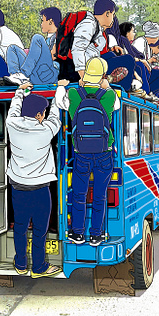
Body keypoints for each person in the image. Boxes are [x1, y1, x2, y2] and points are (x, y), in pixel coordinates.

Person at [55, 57, 120, 246]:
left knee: (79, 194)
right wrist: (105, 86)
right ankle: (96, 235)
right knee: (100, 195)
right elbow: (116, 106)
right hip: (104, 153)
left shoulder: (74, 93)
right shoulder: (108, 96)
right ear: (102, 76)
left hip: (81, 152)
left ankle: (77, 233)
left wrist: (61, 86)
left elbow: (60, 102)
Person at [5, 82, 62, 278]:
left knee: (20, 227)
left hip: (18, 188)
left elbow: (14, 108)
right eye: (43, 112)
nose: (45, 115)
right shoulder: (46, 129)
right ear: (39, 115)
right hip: (40, 190)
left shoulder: (11, 124)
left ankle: (20, 264)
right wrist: (59, 90)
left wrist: (20, 91)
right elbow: (56, 115)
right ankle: (39, 267)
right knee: (40, 229)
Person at [59, 0, 142, 95]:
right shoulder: (89, 24)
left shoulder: (97, 26)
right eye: (113, 14)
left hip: (91, 64)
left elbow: (92, 48)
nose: (113, 17)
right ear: (107, 13)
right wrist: (84, 77)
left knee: (111, 54)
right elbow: (78, 49)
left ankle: (109, 80)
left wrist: (112, 49)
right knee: (128, 60)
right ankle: (122, 91)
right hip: (79, 70)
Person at [3, 7, 62, 86]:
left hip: (48, 74)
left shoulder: (60, 37)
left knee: (37, 37)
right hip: (36, 73)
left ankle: (23, 75)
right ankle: (16, 78)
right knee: (12, 48)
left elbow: (54, 57)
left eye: (43, 21)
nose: (41, 24)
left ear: (50, 22)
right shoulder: (47, 40)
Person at [132, 21, 159, 99]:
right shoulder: (140, 42)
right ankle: (146, 92)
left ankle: (154, 95)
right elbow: (136, 60)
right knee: (143, 67)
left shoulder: (148, 47)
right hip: (138, 72)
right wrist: (149, 61)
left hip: (147, 73)